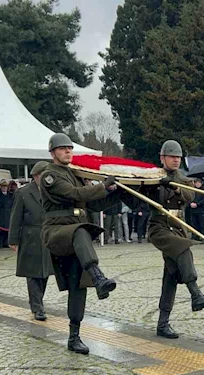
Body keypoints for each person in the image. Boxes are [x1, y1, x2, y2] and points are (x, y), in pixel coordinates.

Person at [39, 133, 122, 354]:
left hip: (76, 234)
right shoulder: (50, 176)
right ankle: (98, 275)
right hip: (57, 231)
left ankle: (74, 337)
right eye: (63, 148)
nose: (68, 151)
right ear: (53, 152)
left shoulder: (75, 174)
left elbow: (93, 205)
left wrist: (116, 191)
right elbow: (74, 194)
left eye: (69, 148)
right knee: (81, 230)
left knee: (78, 285)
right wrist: (103, 186)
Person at [137, 140, 204, 339]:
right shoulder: (153, 177)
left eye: (178, 157)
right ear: (162, 158)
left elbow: (190, 196)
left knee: (171, 274)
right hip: (159, 227)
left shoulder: (183, 178)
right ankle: (196, 294)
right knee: (183, 248)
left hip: (178, 226)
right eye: (171, 157)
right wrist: (155, 186)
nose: (175, 160)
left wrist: (176, 188)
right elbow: (140, 195)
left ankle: (163, 323)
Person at [9, 161, 54, 322]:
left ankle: (37, 300)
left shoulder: (53, 191)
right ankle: (37, 307)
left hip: (49, 235)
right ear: (36, 176)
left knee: (45, 272)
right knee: (33, 273)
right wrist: (13, 239)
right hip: (30, 237)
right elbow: (16, 217)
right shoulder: (23, 192)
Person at [0, 181, 14, 248]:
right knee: (0, 230)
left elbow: (13, 205)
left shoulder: (10, 195)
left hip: (8, 214)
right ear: (0, 187)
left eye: (5, 187)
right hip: (0, 214)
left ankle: (6, 243)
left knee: (8, 229)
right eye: (3, 186)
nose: (4, 188)